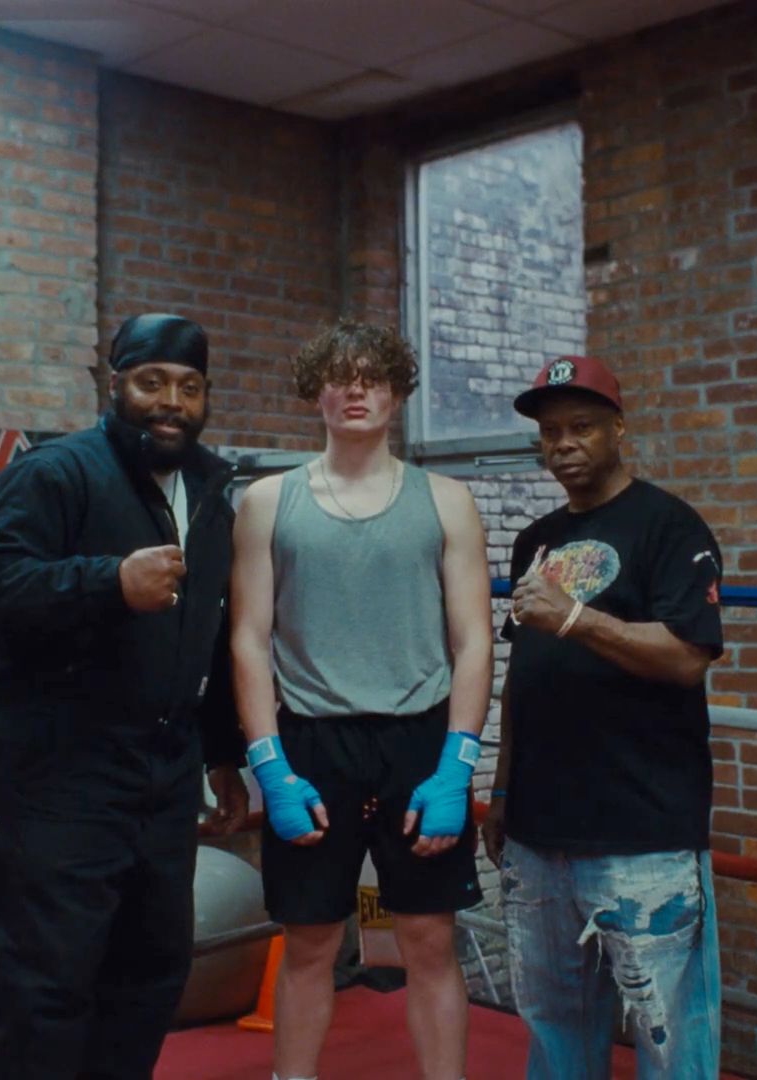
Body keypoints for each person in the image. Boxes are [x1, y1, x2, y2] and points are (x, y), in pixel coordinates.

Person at [0, 312, 249, 1080]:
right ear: (113, 383)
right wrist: (108, 581)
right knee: (46, 986)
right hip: (58, 777)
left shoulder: (212, 490)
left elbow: (211, 632)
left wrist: (221, 752)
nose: (171, 403)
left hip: (162, 774)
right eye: (152, 383)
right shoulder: (57, 473)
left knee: (152, 973)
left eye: (189, 388)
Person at [231, 321, 493, 1080]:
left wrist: (458, 764)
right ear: (316, 389)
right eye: (339, 376)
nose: (355, 390)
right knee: (311, 940)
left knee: (429, 938)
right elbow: (248, 638)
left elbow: (474, 640)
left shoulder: (446, 500)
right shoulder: (266, 501)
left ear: (397, 393)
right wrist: (268, 766)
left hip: (419, 743)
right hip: (311, 741)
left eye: (372, 376)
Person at [482, 355, 724, 1079]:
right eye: (550, 432)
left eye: (581, 427)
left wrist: (578, 618)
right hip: (537, 833)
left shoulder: (670, 526)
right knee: (554, 1027)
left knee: (668, 1039)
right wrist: (501, 792)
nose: (563, 444)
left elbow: (687, 656)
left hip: (641, 834)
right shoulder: (538, 538)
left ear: (618, 427)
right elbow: (522, 677)